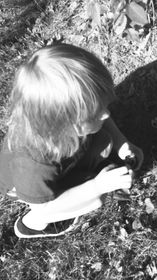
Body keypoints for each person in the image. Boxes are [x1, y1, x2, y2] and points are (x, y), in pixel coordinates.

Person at [0, 43, 144, 238]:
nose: (106, 114)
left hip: (61, 158)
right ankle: (31, 226)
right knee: (94, 198)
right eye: (95, 114)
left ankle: (86, 171)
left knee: (104, 140)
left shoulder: (64, 122)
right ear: (62, 126)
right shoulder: (33, 163)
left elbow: (102, 119)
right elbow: (43, 206)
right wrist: (97, 186)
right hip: (40, 198)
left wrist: (121, 143)